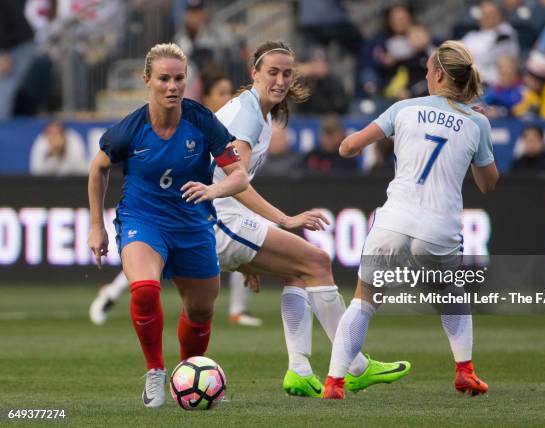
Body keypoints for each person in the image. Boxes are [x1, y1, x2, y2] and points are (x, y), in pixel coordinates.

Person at [195, 40, 410, 397]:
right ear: (254, 74)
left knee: (299, 271)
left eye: (286, 73)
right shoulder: (247, 114)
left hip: (219, 218)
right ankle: (353, 365)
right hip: (216, 218)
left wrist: (247, 260)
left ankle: (299, 370)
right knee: (317, 261)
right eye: (272, 72)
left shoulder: (258, 112)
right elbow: (237, 183)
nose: (280, 80)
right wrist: (285, 219)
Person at [322, 40, 499, 399]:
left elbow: (349, 147)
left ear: (437, 73)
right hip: (439, 227)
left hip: (393, 221)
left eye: (427, 71)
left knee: (363, 299)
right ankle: (464, 371)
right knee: (451, 290)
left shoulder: (403, 108)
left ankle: (334, 382)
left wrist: (351, 143)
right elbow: (488, 184)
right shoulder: (477, 122)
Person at [87, 43, 248, 408]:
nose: (173, 86)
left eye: (179, 78)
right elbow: (97, 168)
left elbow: (238, 177)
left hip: (192, 223)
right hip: (143, 220)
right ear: (147, 80)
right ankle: (156, 372)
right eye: (164, 79)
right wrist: (96, 226)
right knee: (144, 290)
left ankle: (186, 373)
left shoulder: (201, 120)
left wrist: (213, 189)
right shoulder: (130, 129)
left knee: (202, 311)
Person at [90, 69, 262, 328]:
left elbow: (237, 179)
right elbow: (100, 166)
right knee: (147, 268)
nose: (227, 99)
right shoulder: (188, 122)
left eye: (230, 93)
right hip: (168, 214)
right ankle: (115, 297)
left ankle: (236, 309)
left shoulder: (213, 126)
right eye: (221, 93)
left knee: (199, 305)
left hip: (200, 215)